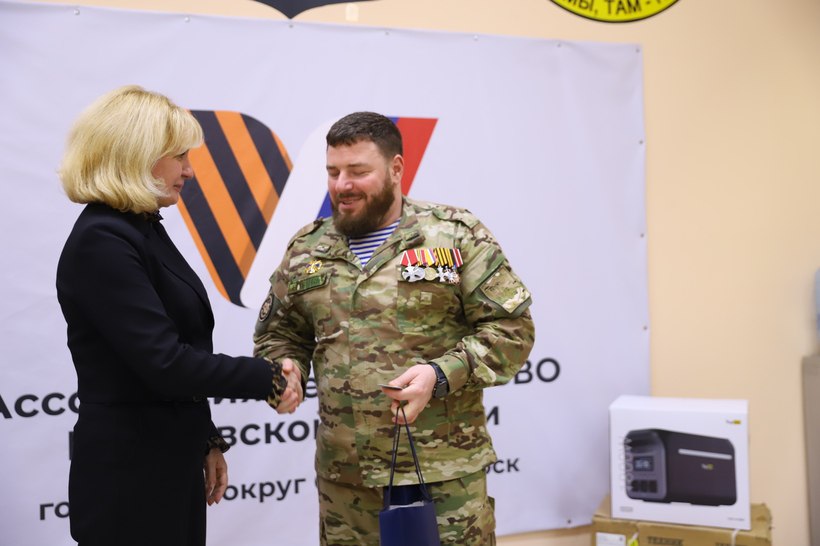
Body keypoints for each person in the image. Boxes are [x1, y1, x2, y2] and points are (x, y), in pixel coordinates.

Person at [253, 111, 535, 545]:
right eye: (333, 172)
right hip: (345, 482)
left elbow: (511, 329)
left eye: (358, 171)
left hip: (442, 476)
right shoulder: (308, 247)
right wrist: (284, 368)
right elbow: (280, 333)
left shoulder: (454, 235)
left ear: (396, 168)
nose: (342, 185)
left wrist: (440, 374)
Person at [56, 85, 302, 546]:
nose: (189, 170)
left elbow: (176, 354)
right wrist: (267, 378)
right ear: (136, 155)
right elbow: (164, 363)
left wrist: (206, 439)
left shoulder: (140, 227)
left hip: (167, 461)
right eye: (180, 156)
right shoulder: (103, 240)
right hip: (130, 478)